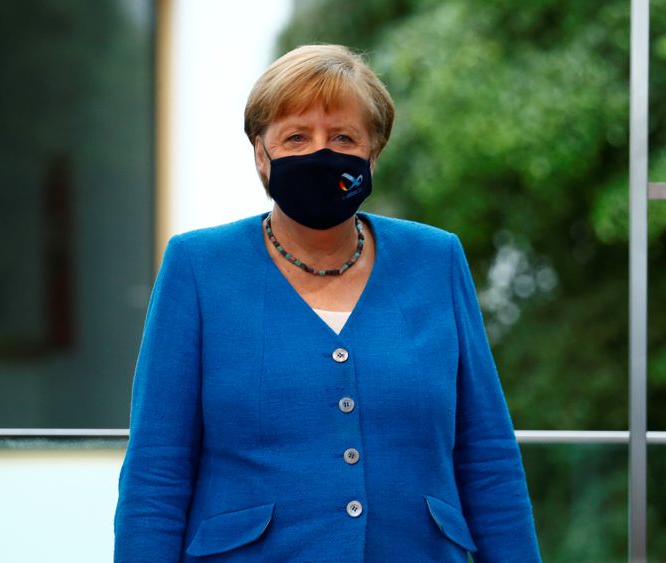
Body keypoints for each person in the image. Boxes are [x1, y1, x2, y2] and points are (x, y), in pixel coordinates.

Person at [114, 44, 542, 562]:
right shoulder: (197, 266)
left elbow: (487, 457)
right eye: (296, 136)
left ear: (373, 153)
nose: (321, 153)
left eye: (343, 137)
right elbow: (157, 470)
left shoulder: (436, 259)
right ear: (260, 153)